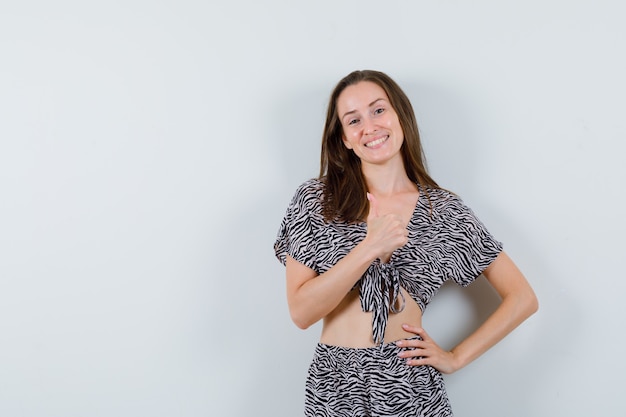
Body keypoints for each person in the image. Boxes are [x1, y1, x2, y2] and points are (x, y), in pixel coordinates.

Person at [274, 69, 538, 417]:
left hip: (407, 380)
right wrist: (369, 248)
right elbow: (301, 312)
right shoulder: (316, 200)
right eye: (353, 120)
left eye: (378, 110)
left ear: (400, 116)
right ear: (345, 139)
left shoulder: (443, 210)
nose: (369, 126)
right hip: (334, 381)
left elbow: (523, 298)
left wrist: (455, 357)